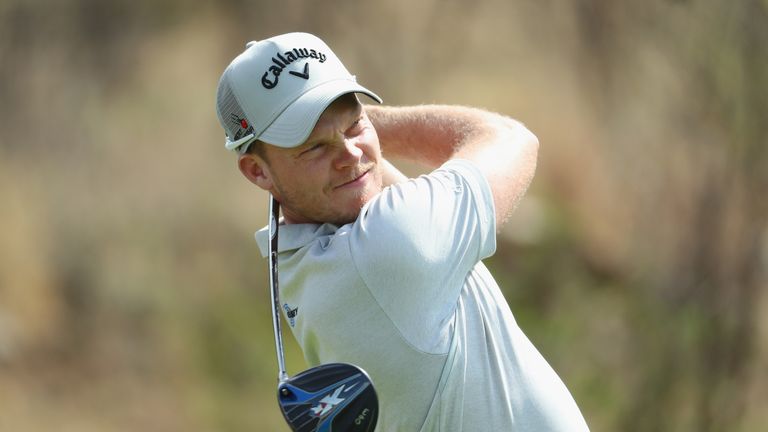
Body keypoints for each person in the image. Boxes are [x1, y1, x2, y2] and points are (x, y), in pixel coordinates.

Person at [215, 32, 589, 431]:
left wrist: (325, 126)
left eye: (356, 124)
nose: (351, 156)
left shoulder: (294, 255)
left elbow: (362, 175)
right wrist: (371, 123)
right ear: (257, 170)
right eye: (313, 147)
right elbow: (511, 139)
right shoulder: (390, 244)